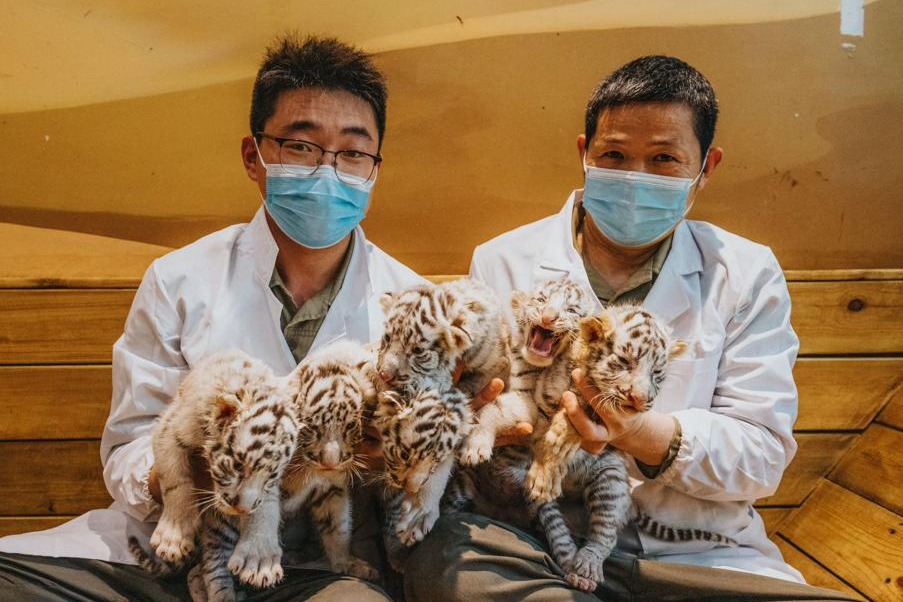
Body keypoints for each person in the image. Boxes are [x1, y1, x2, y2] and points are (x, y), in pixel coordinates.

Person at [403, 56, 860, 601]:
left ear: (706, 167)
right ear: (584, 155)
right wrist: (479, 421)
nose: (635, 177)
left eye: (664, 158)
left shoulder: (746, 272)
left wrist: (636, 431)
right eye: (615, 155)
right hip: (529, 542)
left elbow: (760, 458)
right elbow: (471, 404)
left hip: (696, 551)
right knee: (456, 571)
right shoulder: (504, 261)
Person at [0, 33, 425, 601]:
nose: (328, 170)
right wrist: (195, 469)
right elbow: (129, 444)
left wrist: (388, 453)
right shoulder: (180, 280)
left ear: (374, 170)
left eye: (352, 153)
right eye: (301, 147)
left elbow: (415, 479)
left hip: (314, 568)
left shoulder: (409, 304)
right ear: (255, 156)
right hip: (166, 547)